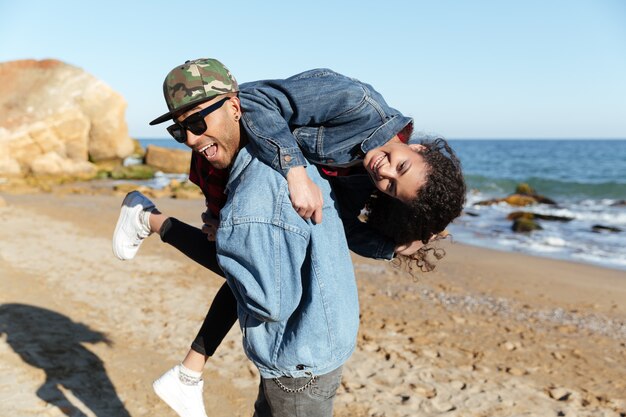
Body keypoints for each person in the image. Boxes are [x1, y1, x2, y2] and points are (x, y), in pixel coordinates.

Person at [112, 58, 465, 417]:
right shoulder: (355, 101)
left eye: (390, 186)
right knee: (244, 272)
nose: (384, 171)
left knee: (235, 267)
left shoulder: (363, 173)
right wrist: (294, 173)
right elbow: (256, 100)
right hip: (233, 169)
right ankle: (152, 227)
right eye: (400, 167)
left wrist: (391, 246)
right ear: (419, 148)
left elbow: (337, 222)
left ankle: (187, 363)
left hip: (241, 173)